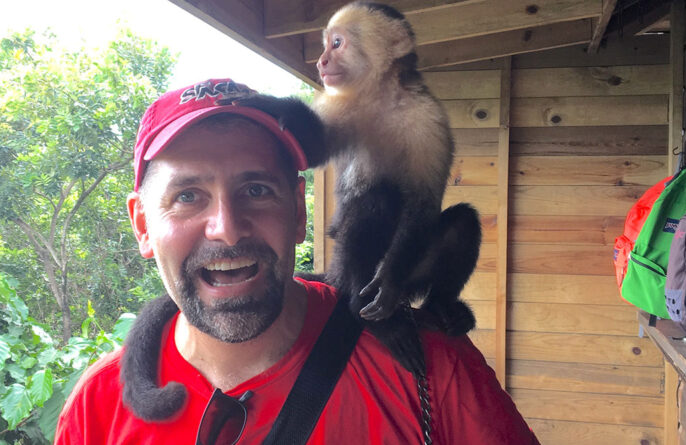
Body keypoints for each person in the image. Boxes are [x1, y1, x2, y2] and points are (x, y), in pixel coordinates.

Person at [54, 78, 540, 444]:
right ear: (142, 226)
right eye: (187, 196)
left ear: (299, 211)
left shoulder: (432, 369)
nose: (227, 226)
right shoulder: (97, 407)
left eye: (257, 190)